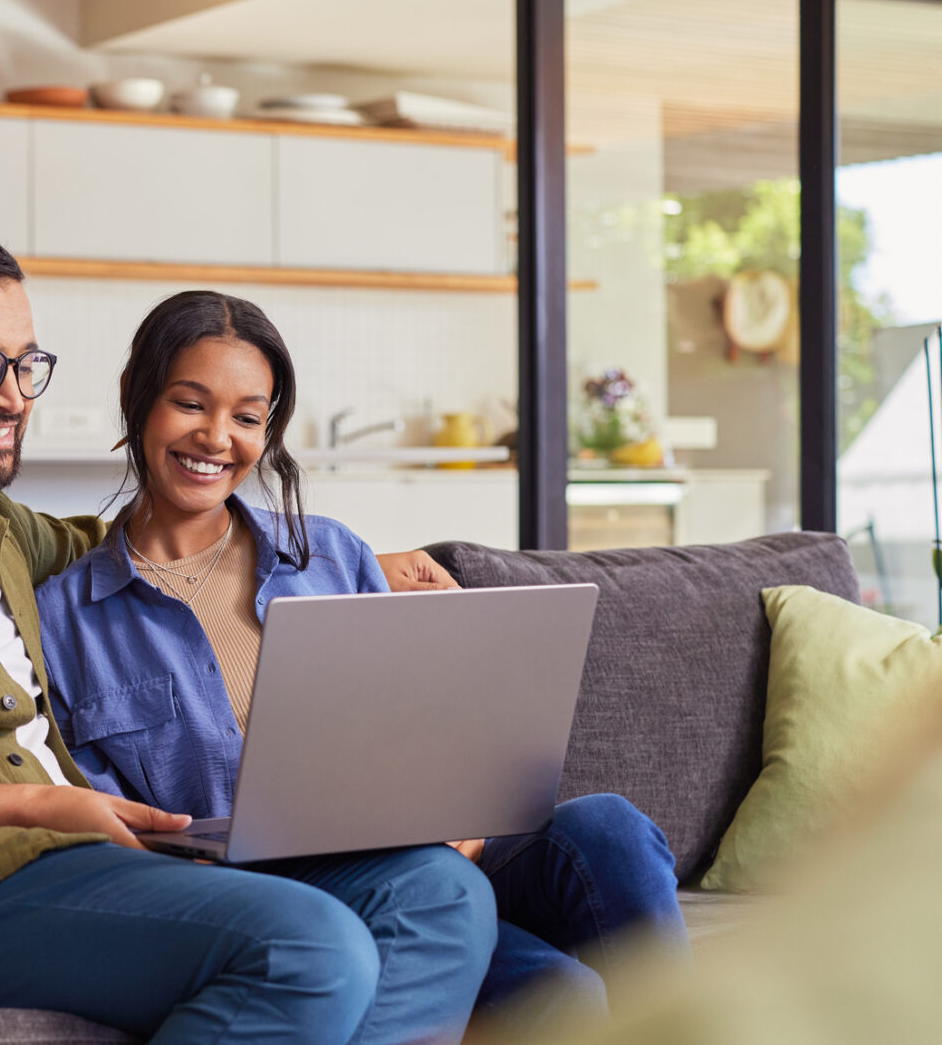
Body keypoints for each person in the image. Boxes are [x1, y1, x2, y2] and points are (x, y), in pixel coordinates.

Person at [0, 229, 497, 1044]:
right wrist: (37, 802)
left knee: (438, 893)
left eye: (26, 366)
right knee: (306, 947)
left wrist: (346, 559)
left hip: (75, 865)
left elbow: (146, 550)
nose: (13, 397)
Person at [34, 290, 693, 1035]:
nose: (217, 438)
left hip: (438, 853)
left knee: (610, 826)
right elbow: (116, 835)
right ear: (137, 398)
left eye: (248, 417)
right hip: (298, 900)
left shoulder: (332, 554)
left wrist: (464, 815)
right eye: (191, 404)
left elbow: (428, 728)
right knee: (562, 995)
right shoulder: (65, 620)